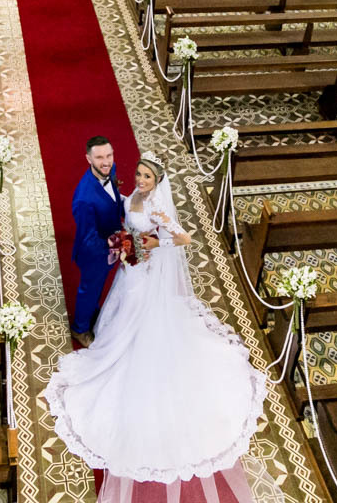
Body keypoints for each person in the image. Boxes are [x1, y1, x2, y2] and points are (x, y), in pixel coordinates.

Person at [46, 152, 270, 501]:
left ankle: (135, 350)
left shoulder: (155, 207)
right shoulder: (133, 195)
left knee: (137, 313)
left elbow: (183, 238)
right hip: (130, 268)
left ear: (158, 181)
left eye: (148, 177)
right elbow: (121, 208)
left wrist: (152, 242)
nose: (141, 179)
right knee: (120, 307)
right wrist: (125, 239)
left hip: (146, 273)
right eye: (139, 173)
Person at [68, 136, 125, 348]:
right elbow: (88, 238)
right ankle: (80, 328)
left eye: (109, 155)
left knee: (98, 289)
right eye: (99, 157)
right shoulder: (83, 199)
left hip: (109, 243)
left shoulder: (111, 169)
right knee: (89, 290)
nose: (106, 161)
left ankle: (93, 310)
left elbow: (114, 197)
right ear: (88, 159)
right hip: (94, 254)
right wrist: (118, 243)